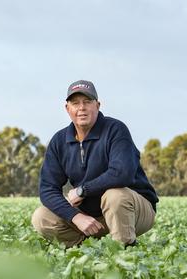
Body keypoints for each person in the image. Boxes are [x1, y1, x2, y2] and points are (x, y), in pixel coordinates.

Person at [31, 80, 159, 248]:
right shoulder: (59, 141)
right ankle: (88, 249)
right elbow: (47, 189)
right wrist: (76, 217)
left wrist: (83, 190)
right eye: (75, 103)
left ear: (97, 105)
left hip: (133, 211)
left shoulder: (115, 130)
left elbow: (122, 173)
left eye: (87, 102)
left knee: (114, 195)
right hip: (89, 218)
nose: (81, 108)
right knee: (42, 216)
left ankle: (125, 249)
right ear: (67, 108)